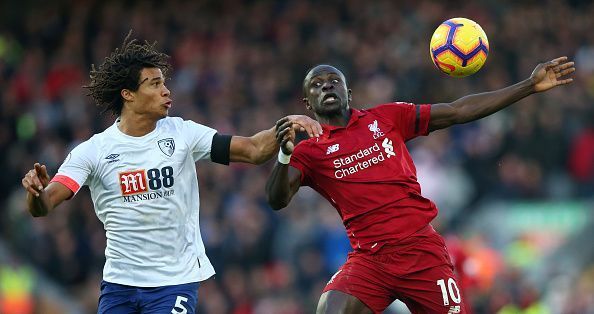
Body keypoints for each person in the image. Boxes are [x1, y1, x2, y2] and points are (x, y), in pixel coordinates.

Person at [20, 33, 321, 314]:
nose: (166, 91)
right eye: (153, 84)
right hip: (119, 285)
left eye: (164, 82)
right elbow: (45, 205)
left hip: (174, 282)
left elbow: (254, 150)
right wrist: (35, 194)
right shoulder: (93, 151)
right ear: (128, 94)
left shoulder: (183, 134)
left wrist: (284, 125)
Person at [266, 57, 575, 313]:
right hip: (370, 260)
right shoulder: (309, 152)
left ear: (350, 92)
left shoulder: (386, 118)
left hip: (421, 252)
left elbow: (456, 111)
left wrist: (529, 86)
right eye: (317, 85)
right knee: (330, 309)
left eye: (334, 81)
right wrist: (283, 154)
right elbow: (278, 199)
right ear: (308, 103)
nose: (327, 86)